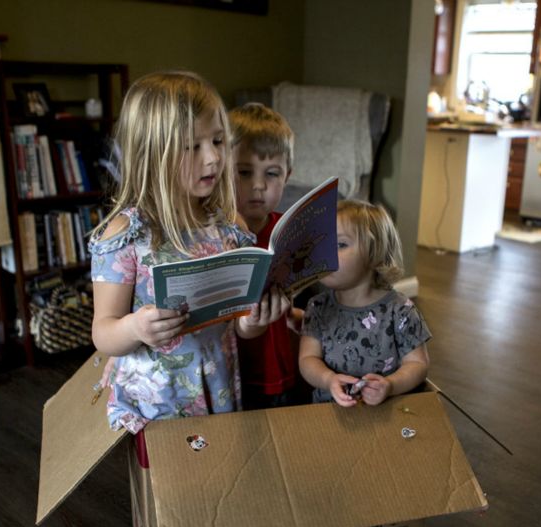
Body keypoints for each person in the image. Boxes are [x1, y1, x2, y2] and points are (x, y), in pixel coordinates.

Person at [89, 71, 289, 434]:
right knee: (165, 486)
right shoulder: (126, 234)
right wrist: (135, 327)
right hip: (154, 402)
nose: (213, 158)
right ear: (153, 153)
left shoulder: (229, 224)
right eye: (193, 146)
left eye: (217, 141)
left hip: (219, 386)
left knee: (214, 476)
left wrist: (254, 322)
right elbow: (103, 332)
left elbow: (239, 324)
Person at [299, 200, 431, 407]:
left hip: (386, 414)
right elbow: (308, 359)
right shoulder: (317, 307)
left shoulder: (400, 310)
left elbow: (418, 364)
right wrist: (328, 380)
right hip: (329, 414)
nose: (324, 254)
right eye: (321, 245)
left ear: (374, 252)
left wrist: (390, 385)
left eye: (340, 244)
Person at [229, 103, 306, 410]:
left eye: (272, 174)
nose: (258, 185)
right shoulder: (218, 236)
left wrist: (296, 315)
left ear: (287, 175)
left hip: (283, 365)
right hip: (238, 373)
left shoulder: (285, 229)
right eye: (244, 172)